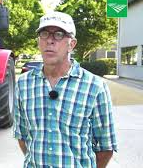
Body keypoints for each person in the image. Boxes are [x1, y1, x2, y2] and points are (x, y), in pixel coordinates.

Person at [13, 11, 117, 168]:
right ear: (38, 41)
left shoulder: (94, 87)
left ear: (72, 44)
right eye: (44, 33)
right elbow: (22, 136)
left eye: (59, 34)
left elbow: (105, 147)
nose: (50, 41)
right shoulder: (23, 84)